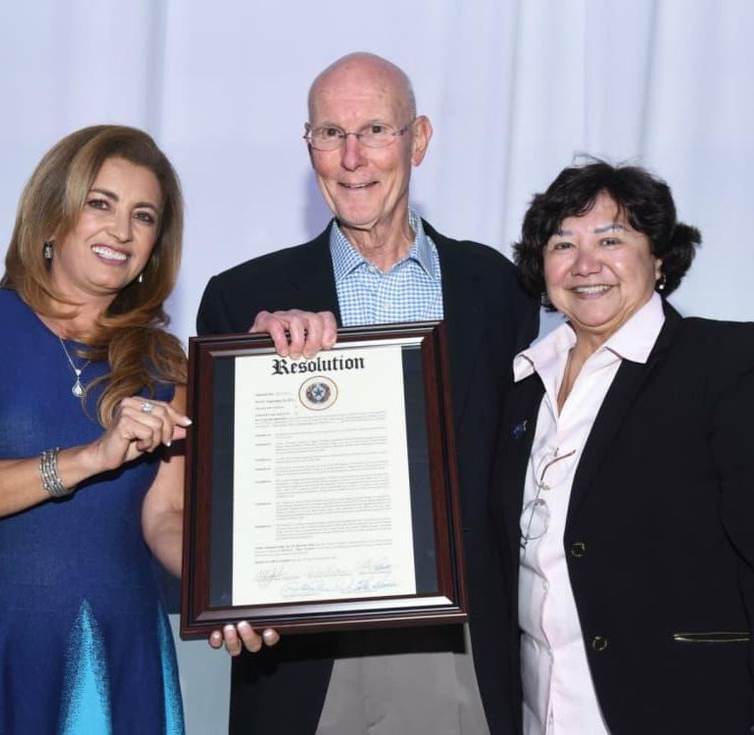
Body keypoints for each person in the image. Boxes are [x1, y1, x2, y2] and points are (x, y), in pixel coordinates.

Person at [0, 124, 273, 735]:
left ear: (156, 245)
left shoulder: (169, 363)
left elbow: (165, 517)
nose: (121, 230)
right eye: (101, 203)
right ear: (52, 214)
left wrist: (230, 591)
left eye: (143, 216)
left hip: (122, 659)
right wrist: (91, 457)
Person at [197, 52, 539, 735]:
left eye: (376, 130)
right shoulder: (242, 299)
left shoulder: (499, 286)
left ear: (418, 139)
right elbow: (210, 499)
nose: (352, 157)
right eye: (331, 133)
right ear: (308, 146)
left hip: (457, 649)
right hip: (302, 661)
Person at [489, 159, 754, 734]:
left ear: (657, 258)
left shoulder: (725, 364)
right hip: (541, 715)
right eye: (563, 244)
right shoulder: (521, 385)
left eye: (611, 239)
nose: (585, 265)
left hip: (687, 710)